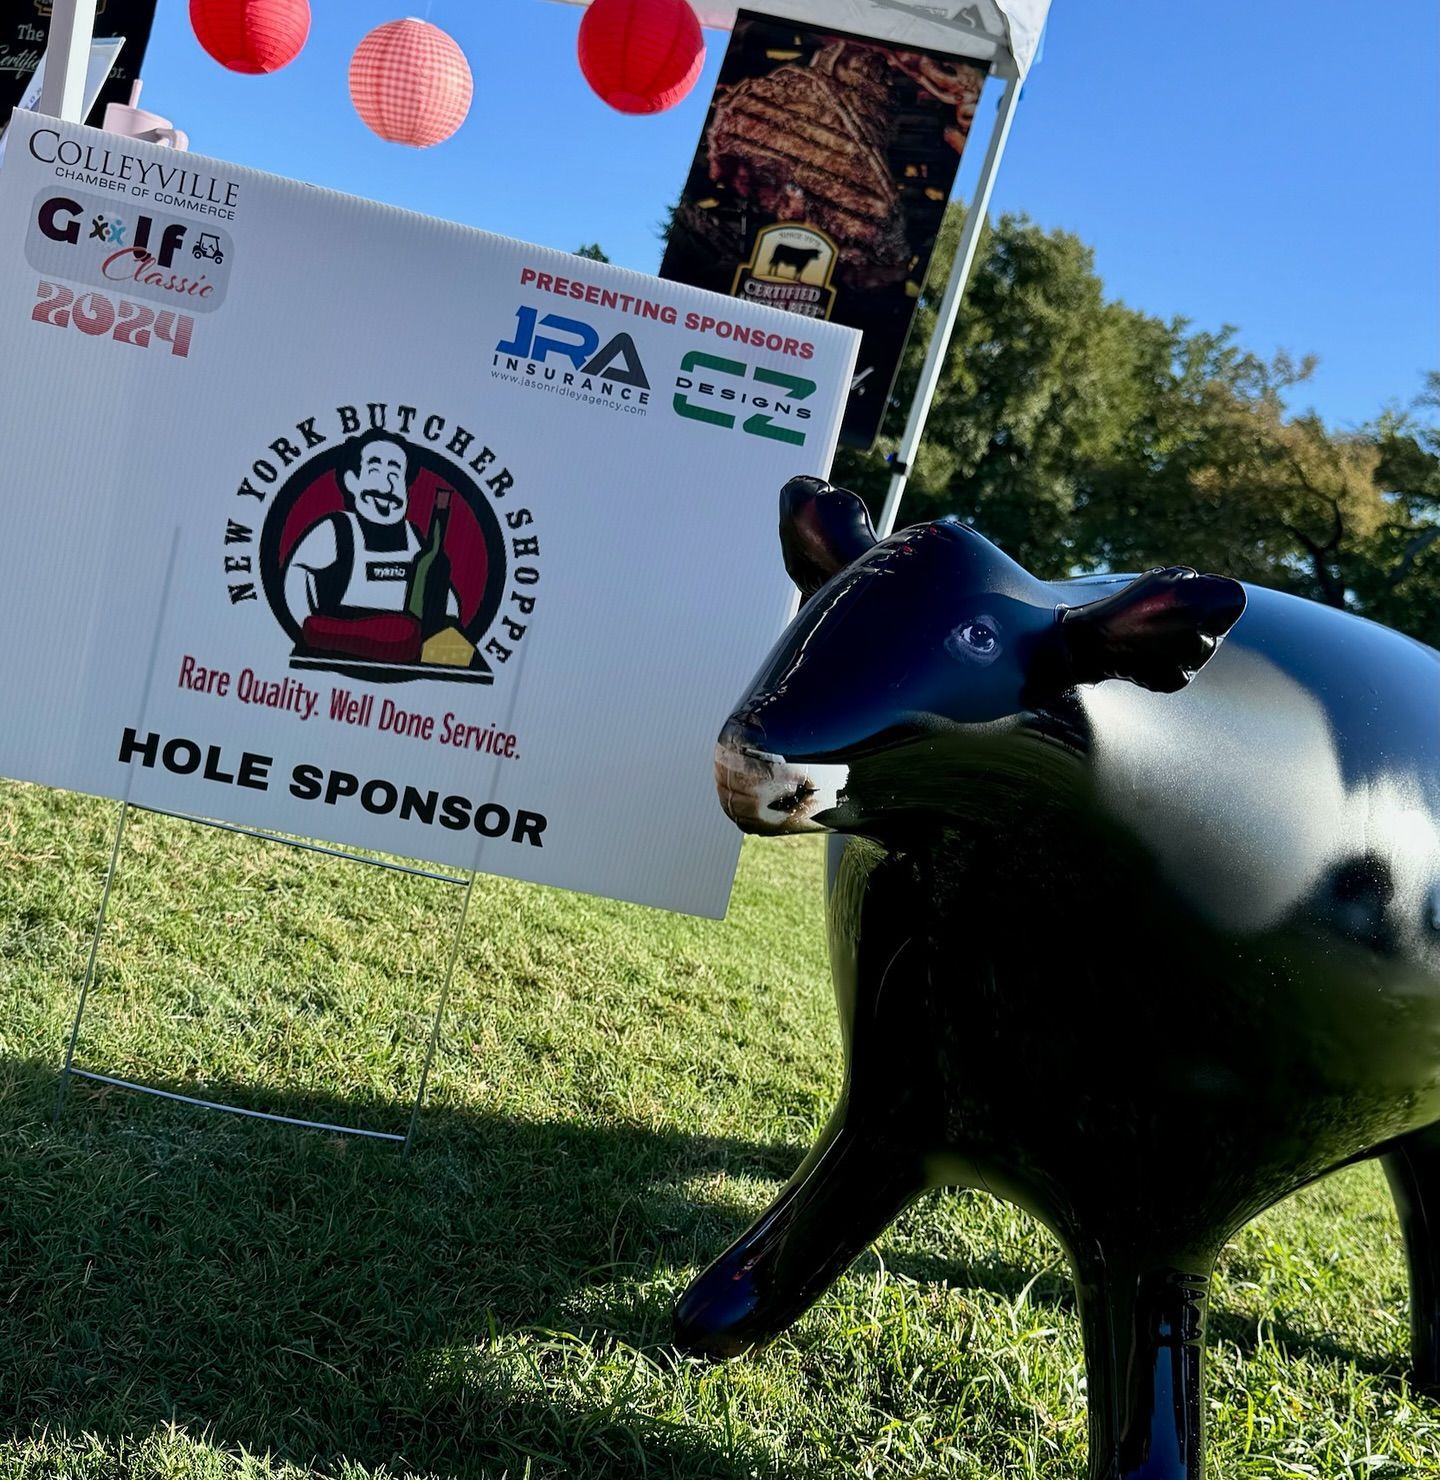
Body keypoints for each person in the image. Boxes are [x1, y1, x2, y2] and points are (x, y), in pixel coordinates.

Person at [283, 430, 459, 635]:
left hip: (404, 650)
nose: (386, 487)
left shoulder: (414, 537)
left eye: (395, 474)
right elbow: (298, 574)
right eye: (374, 471)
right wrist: (308, 634)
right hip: (340, 646)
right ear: (351, 481)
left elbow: (443, 595)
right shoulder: (337, 529)